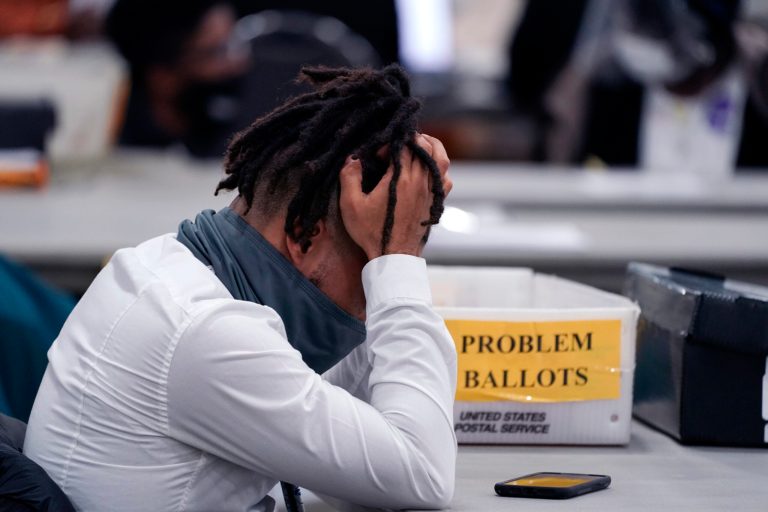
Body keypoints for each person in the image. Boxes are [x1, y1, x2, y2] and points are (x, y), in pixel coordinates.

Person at [23, 65, 457, 511]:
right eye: (371, 257)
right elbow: (422, 476)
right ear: (304, 234)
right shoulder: (207, 334)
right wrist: (398, 265)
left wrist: (392, 250)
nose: (375, 288)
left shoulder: (168, 265)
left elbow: (354, 462)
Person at [105, 0, 251, 157]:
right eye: (216, 52)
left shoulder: (236, 131)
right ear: (161, 77)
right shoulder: (112, 146)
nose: (238, 62)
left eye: (235, 42)